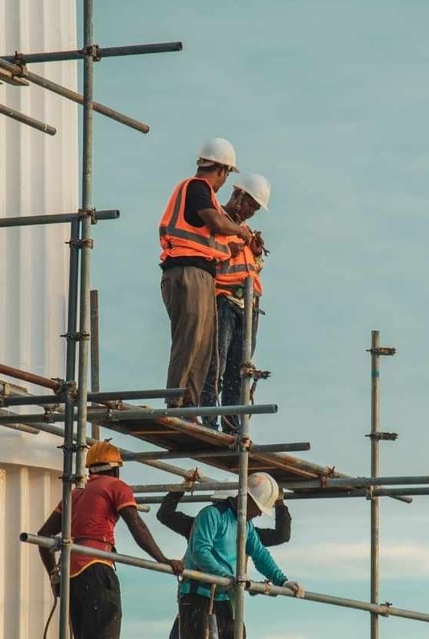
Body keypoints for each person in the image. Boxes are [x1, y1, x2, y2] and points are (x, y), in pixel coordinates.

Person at [37, 441, 184, 639]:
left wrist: (54, 576)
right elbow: (137, 525)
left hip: (71, 576)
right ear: (116, 470)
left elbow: (43, 535)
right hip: (96, 566)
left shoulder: (73, 495)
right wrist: (163, 560)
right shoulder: (116, 487)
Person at [159, 138, 253, 412]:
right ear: (222, 170)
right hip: (186, 271)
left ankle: (190, 404)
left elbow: (210, 237)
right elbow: (215, 221)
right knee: (189, 339)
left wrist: (234, 244)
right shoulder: (197, 187)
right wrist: (239, 231)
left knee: (203, 346)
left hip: (199, 274)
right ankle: (176, 402)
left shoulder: (203, 196)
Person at [177, 472, 304, 639]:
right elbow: (200, 552)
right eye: (259, 509)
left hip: (225, 598)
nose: (259, 514)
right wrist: (226, 577)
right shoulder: (212, 515)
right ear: (247, 498)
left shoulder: (246, 526)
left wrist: (282, 580)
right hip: (199, 596)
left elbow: (260, 554)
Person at [199, 174, 271, 433]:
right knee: (215, 363)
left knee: (238, 371)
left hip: (248, 306)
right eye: (249, 204)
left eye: (254, 207)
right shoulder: (217, 220)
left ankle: (231, 426)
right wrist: (235, 250)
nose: (250, 211)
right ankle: (209, 420)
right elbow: (209, 258)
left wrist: (257, 253)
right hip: (223, 300)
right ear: (237, 195)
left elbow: (252, 268)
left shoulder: (245, 231)